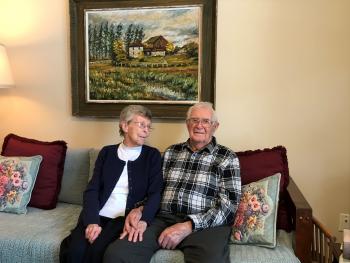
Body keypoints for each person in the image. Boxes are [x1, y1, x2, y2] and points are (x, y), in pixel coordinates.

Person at [104, 102, 241, 263]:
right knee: (117, 254)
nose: (199, 126)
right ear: (187, 123)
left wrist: (189, 225)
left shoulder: (227, 157)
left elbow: (229, 206)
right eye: (194, 120)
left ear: (215, 126)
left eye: (205, 121)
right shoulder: (171, 152)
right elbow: (155, 189)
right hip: (162, 218)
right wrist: (141, 209)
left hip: (204, 225)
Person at [59, 105, 162, 263]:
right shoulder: (107, 152)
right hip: (98, 214)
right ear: (125, 125)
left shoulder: (152, 155)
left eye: (149, 126)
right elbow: (92, 190)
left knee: (98, 251)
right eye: (141, 125)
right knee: (74, 251)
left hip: (123, 219)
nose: (146, 130)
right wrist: (92, 222)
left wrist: (144, 218)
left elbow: (156, 193)